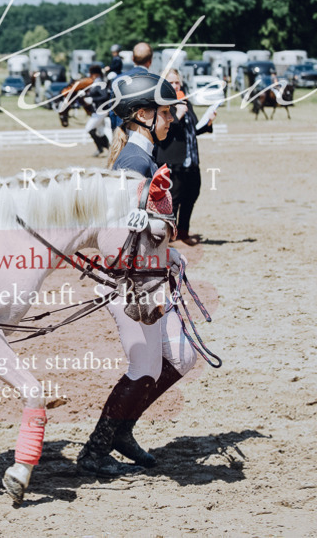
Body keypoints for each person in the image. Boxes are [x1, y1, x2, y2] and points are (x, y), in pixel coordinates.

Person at [78, 71, 197, 478]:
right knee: (144, 368)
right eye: (165, 112)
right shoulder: (134, 161)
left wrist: (169, 254)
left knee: (181, 357)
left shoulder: (143, 158)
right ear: (144, 115)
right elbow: (119, 232)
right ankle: (94, 451)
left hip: (149, 274)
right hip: (128, 285)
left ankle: (123, 432)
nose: (170, 119)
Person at [158, 69, 214, 245]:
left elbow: (193, 129)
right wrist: (178, 114)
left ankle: (183, 232)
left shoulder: (185, 102)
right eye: (171, 83)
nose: (175, 86)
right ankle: (169, 235)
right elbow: (162, 132)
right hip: (173, 159)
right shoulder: (162, 104)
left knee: (191, 194)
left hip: (191, 159)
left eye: (177, 82)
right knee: (173, 199)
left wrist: (207, 123)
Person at [82, 64, 112, 156]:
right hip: (97, 111)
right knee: (100, 131)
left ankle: (101, 148)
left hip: (100, 111)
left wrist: (92, 99)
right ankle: (108, 148)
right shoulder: (95, 82)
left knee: (89, 129)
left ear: (96, 74)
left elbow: (104, 96)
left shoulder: (100, 83)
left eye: (92, 74)